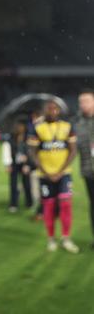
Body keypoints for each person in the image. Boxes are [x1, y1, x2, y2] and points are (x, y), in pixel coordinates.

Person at [27, 99, 79, 253]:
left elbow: (73, 150)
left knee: (65, 204)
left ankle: (66, 238)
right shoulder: (37, 128)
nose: (53, 111)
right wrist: (45, 171)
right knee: (48, 207)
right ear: (44, 111)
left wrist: (61, 171)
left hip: (64, 175)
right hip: (45, 176)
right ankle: (51, 239)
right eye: (50, 109)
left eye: (55, 109)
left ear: (59, 111)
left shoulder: (67, 126)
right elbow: (32, 152)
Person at [75, 89, 94, 249]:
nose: (83, 104)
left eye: (87, 101)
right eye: (81, 102)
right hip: (88, 170)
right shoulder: (77, 122)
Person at [1, 120, 32, 212]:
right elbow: (6, 150)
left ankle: (29, 203)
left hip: (25, 164)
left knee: (27, 184)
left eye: (22, 126)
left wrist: (27, 163)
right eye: (19, 126)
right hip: (14, 164)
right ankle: (13, 204)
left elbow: (31, 151)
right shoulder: (11, 138)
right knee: (13, 184)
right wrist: (8, 164)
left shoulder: (28, 138)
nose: (20, 128)